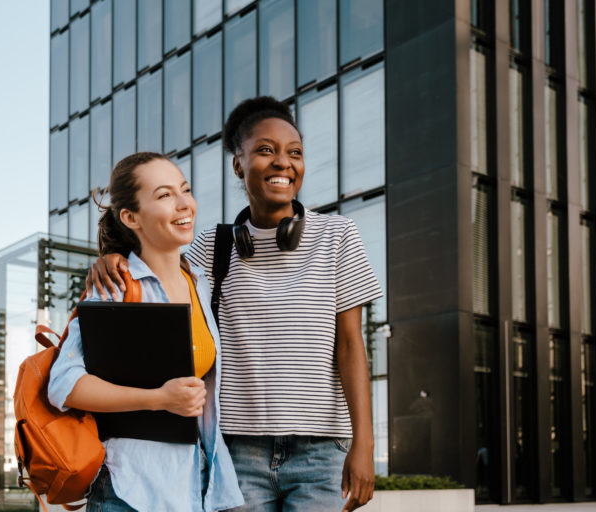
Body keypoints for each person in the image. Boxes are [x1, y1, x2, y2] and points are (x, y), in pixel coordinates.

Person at [87, 97, 383, 511]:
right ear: (238, 165)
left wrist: (364, 445)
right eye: (266, 150)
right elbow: (156, 270)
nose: (283, 162)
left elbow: (351, 346)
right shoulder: (212, 246)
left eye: (294, 153)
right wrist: (113, 256)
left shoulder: (338, 236)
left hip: (320, 452)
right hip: (238, 453)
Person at [48, 152, 244, 512]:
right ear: (130, 217)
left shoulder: (199, 282)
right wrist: (159, 398)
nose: (184, 203)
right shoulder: (116, 285)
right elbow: (64, 384)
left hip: (194, 489)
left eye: (185, 190)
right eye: (165, 195)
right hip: (132, 491)